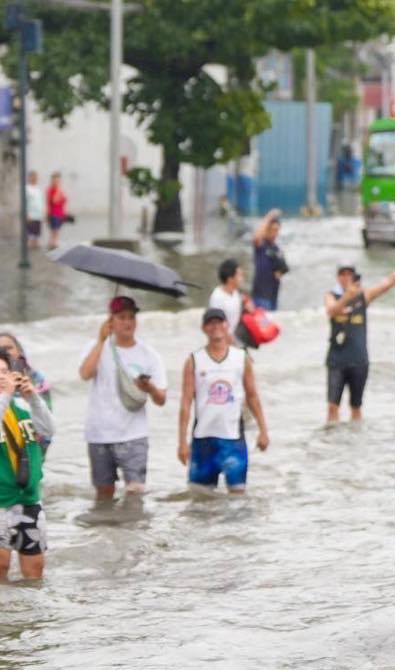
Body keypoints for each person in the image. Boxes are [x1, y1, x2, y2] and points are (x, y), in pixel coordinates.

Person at [0, 347, 56, 582]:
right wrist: (4, 397)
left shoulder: (24, 407)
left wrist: (33, 397)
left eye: (5, 371)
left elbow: (48, 430)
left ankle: (30, 617)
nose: (2, 376)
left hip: (28, 499)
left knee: (35, 571)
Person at [79, 296, 167, 500]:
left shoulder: (149, 355)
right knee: (103, 495)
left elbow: (161, 399)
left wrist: (149, 387)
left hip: (134, 435)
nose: (128, 322)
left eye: (131, 317)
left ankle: (132, 531)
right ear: (111, 320)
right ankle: (107, 531)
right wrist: (101, 340)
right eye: (121, 317)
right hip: (99, 434)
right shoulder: (96, 347)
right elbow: (85, 374)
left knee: (135, 494)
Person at [178, 308, 271, 493]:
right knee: (199, 501)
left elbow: (252, 396)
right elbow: (186, 403)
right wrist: (182, 442)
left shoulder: (241, 358)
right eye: (211, 323)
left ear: (227, 325)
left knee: (238, 500)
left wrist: (263, 431)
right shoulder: (194, 360)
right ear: (204, 328)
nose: (216, 326)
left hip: (233, 440)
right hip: (203, 440)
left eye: (219, 322)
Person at [324, 244, 395, 423]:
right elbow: (331, 311)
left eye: (349, 273)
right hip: (336, 360)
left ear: (354, 276)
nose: (346, 277)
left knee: (356, 408)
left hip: (359, 360)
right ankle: (332, 444)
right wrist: (346, 297)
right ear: (338, 277)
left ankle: (356, 442)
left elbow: (388, 283)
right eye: (343, 274)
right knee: (332, 408)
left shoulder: (363, 296)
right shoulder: (331, 295)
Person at [0, 332, 53, 408]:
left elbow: (48, 411)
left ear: (19, 351)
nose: (4, 352)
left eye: (8, 348)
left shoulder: (36, 378)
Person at [251, 209, 288, 310]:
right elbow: (256, 237)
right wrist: (269, 216)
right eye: (272, 230)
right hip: (261, 295)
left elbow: (284, 268)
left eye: (277, 230)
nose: (274, 233)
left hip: (273, 295)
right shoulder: (261, 245)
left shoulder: (277, 249)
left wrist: (280, 272)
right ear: (266, 230)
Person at [208, 259, 252, 341]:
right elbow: (216, 326)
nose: (242, 279)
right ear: (230, 279)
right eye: (239, 275)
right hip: (222, 342)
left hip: (234, 339)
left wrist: (247, 307)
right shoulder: (217, 298)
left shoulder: (236, 293)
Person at [45, 172, 67, 250]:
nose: (57, 182)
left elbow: (64, 200)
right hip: (53, 213)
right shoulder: (51, 190)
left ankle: (53, 243)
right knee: (54, 230)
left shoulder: (60, 190)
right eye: (55, 180)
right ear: (52, 181)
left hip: (60, 213)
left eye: (58, 180)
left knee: (56, 230)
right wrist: (58, 190)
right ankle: (53, 244)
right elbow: (54, 201)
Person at [24, 171, 45, 249]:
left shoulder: (38, 189)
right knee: (30, 232)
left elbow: (41, 201)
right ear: (30, 178)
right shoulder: (27, 189)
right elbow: (24, 202)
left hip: (38, 214)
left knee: (37, 232)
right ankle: (29, 246)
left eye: (36, 177)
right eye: (33, 177)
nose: (35, 178)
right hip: (30, 214)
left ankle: (35, 246)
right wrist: (27, 214)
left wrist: (43, 212)